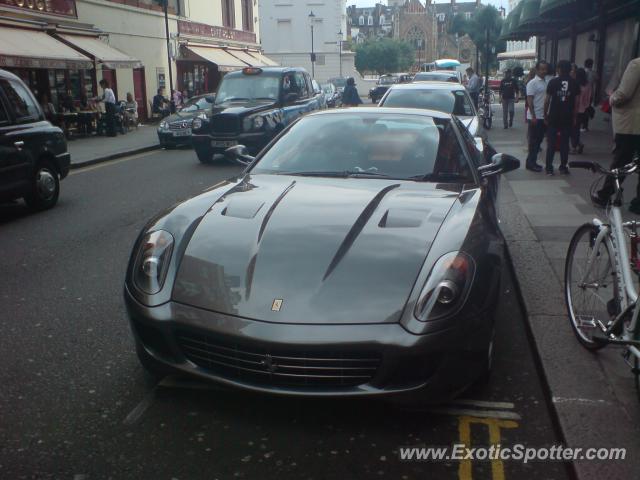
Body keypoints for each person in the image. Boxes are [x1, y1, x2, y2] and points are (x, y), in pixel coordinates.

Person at [593, 57, 640, 211]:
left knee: (621, 162)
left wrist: (612, 98)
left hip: (631, 124)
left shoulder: (636, 64)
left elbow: (624, 94)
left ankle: (605, 194)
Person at [543, 60, 580, 175]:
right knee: (564, 143)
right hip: (567, 117)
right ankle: (563, 166)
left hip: (554, 116)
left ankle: (549, 167)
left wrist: (545, 114)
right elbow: (577, 102)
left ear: (558, 69)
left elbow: (547, 100)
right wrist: (574, 116)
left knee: (551, 144)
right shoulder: (574, 83)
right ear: (570, 70)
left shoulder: (553, 82)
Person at [524, 61, 549, 172]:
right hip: (535, 117)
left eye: (545, 69)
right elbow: (529, 100)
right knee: (533, 142)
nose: (544, 71)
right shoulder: (532, 83)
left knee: (538, 142)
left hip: (542, 116)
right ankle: (530, 163)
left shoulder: (545, 82)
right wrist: (533, 116)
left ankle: (533, 162)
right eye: (542, 69)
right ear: (537, 70)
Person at [570, 68, 591, 154]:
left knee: (572, 129)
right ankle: (578, 143)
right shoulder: (588, 85)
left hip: (574, 109)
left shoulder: (575, 84)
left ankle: (575, 146)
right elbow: (589, 98)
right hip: (583, 110)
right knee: (577, 128)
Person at [583, 58, 598, 131]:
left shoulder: (582, 71)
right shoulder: (593, 73)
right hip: (590, 93)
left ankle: (582, 125)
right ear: (591, 65)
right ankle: (585, 126)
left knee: (582, 109)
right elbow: (597, 79)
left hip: (582, 93)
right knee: (587, 107)